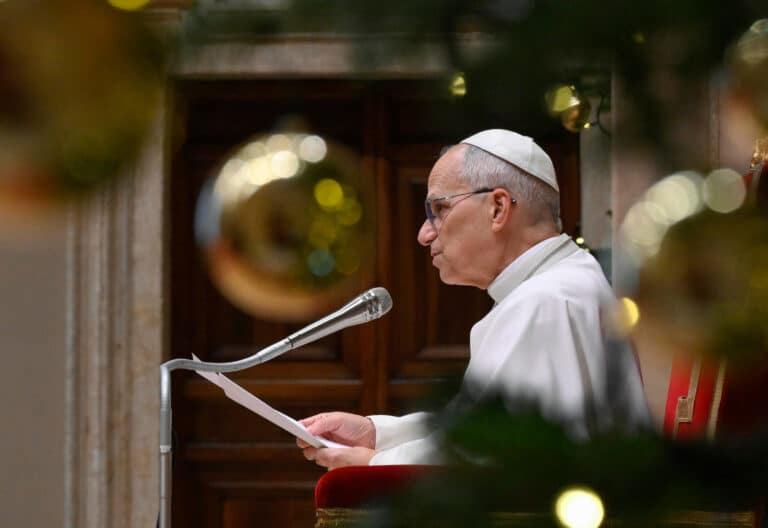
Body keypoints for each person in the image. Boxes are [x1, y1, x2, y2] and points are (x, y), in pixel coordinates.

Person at [297, 129, 650, 470]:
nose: (424, 234)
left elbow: (506, 459)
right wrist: (378, 436)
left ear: (497, 207)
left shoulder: (546, 301)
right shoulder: (555, 285)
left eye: (439, 209)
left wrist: (378, 465)